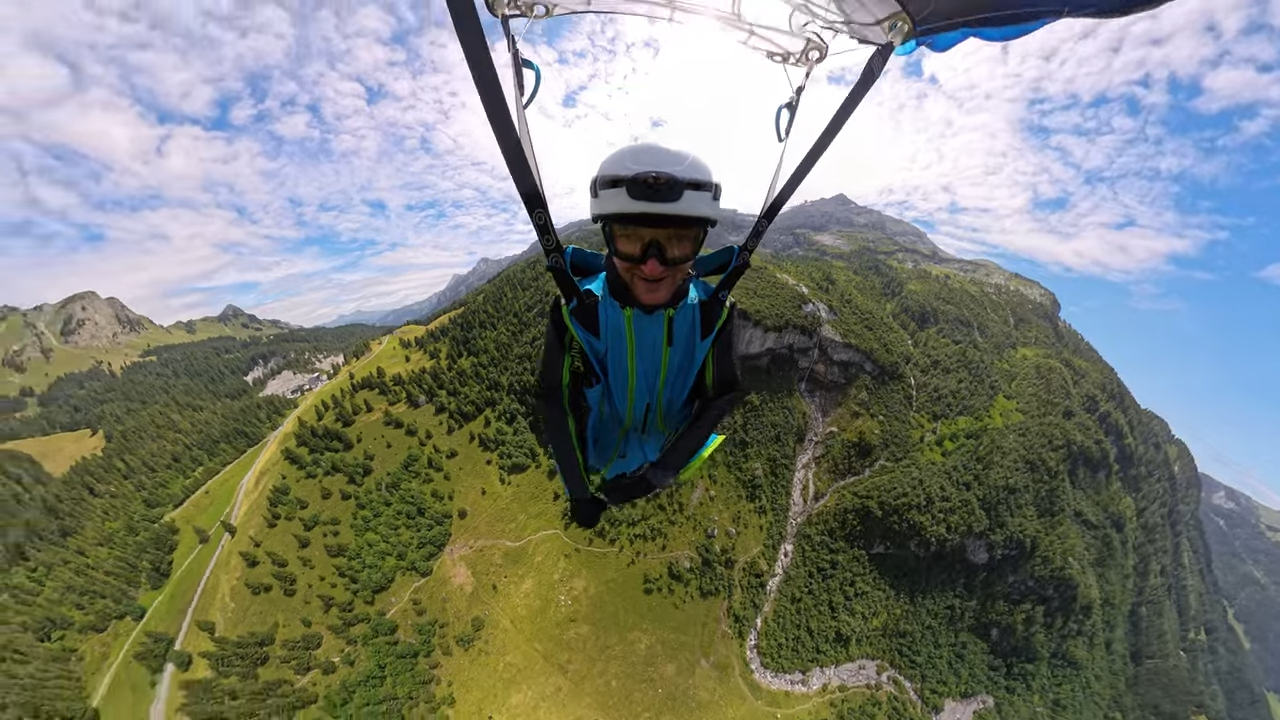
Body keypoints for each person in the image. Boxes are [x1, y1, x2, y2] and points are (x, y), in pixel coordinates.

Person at [539, 142, 747, 530]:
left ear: (699, 244)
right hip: (607, 455)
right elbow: (556, 403)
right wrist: (579, 490)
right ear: (608, 238)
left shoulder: (712, 314)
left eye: (677, 240)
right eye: (632, 238)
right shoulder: (579, 313)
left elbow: (720, 397)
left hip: (657, 452)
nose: (653, 265)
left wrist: (656, 476)